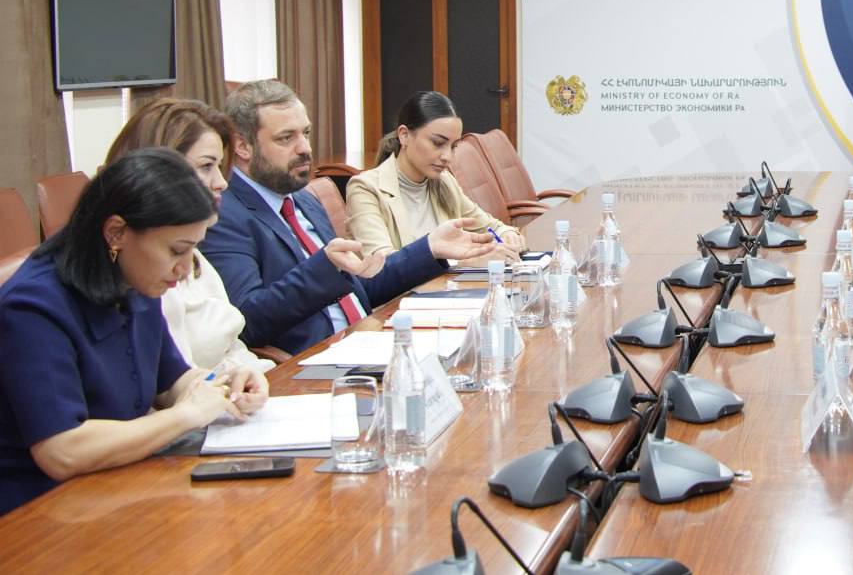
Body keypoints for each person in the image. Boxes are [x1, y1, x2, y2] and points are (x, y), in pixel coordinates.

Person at [0, 149, 269, 516]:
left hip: (120, 487)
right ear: (116, 233)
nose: (184, 270)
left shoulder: (134, 278)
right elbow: (61, 451)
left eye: (193, 250)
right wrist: (185, 416)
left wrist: (223, 384)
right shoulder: (33, 307)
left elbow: (171, 382)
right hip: (40, 512)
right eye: (176, 251)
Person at [201, 80, 498, 356]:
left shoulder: (303, 199)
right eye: (286, 138)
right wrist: (325, 268)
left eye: (305, 134)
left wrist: (430, 248)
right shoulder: (224, 215)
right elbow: (246, 322)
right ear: (242, 146)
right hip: (314, 364)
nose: (305, 148)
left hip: (368, 340)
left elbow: (361, 286)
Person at [104, 98, 272, 373]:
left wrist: (251, 376)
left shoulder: (194, 252)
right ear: (156, 168)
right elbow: (174, 383)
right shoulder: (139, 269)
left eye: (219, 166)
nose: (222, 182)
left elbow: (232, 348)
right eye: (206, 166)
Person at [346, 91, 524, 262]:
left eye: (453, 147)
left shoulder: (444, 181)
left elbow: (490, 226)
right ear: (404, 135)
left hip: (449, 282)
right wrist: (470, 261)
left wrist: (507, 234)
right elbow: (383, 266)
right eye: (438, 143)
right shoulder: (365, 188)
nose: (447, 157)